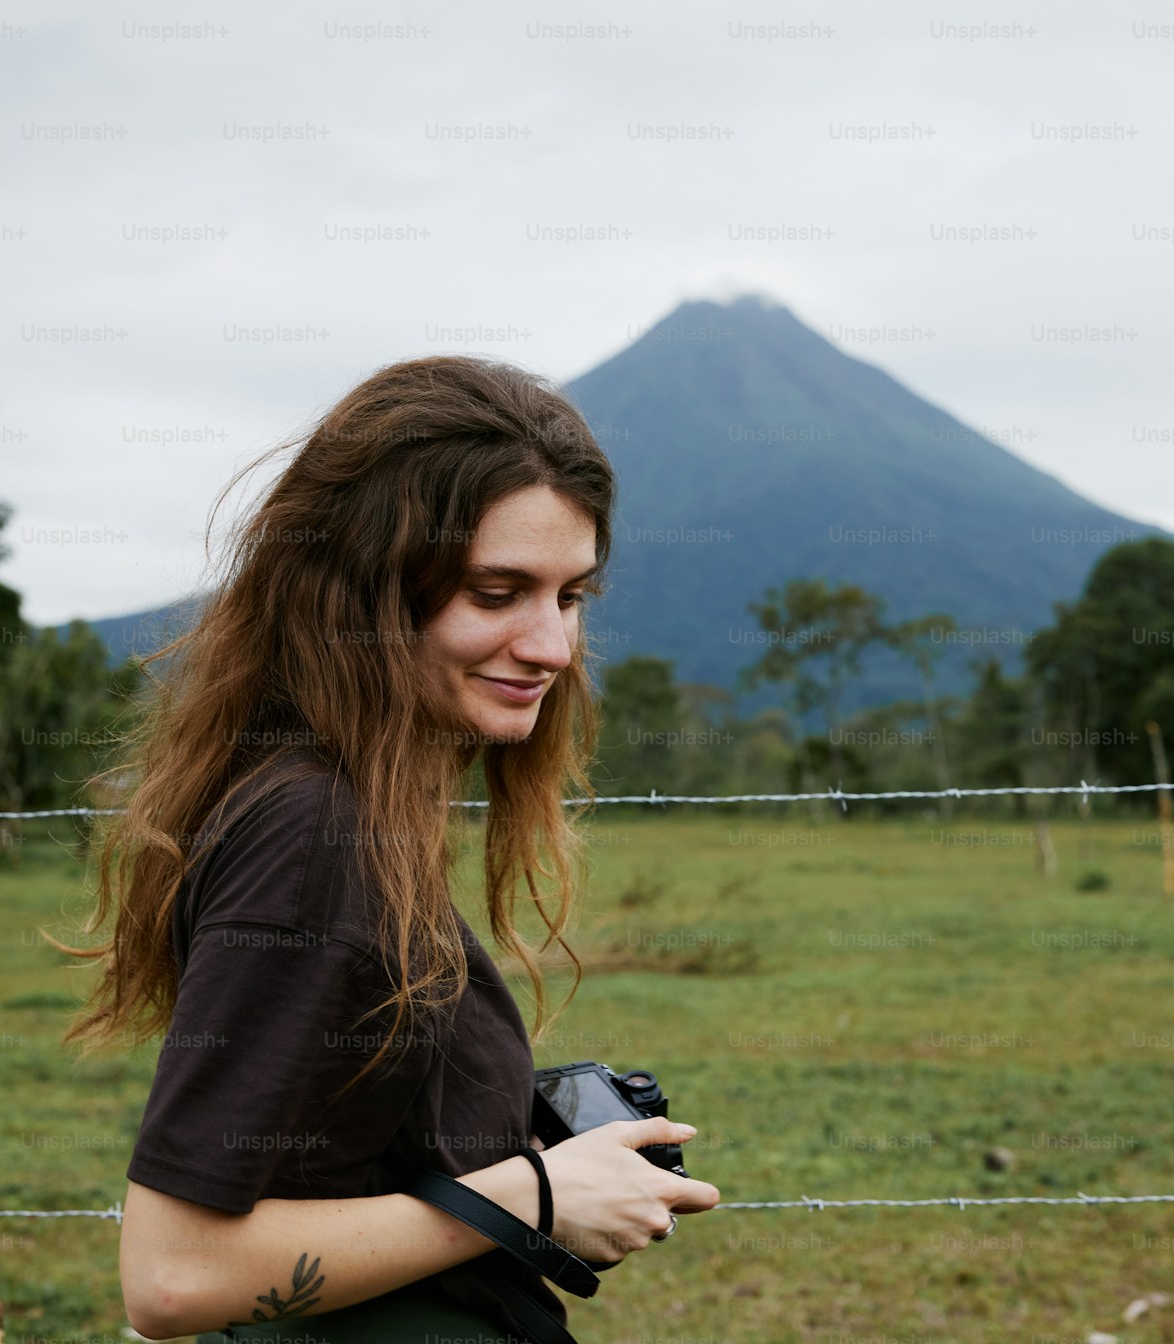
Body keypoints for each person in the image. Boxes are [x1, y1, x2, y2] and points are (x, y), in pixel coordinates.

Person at [55, 356, 720, 1342]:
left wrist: (500, 1140)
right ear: (360, 595)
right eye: (496, 592)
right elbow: (174, 1276)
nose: (551, 647)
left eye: (569, 597)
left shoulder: (356, 812)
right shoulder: (312, 834)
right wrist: (530, 1196)